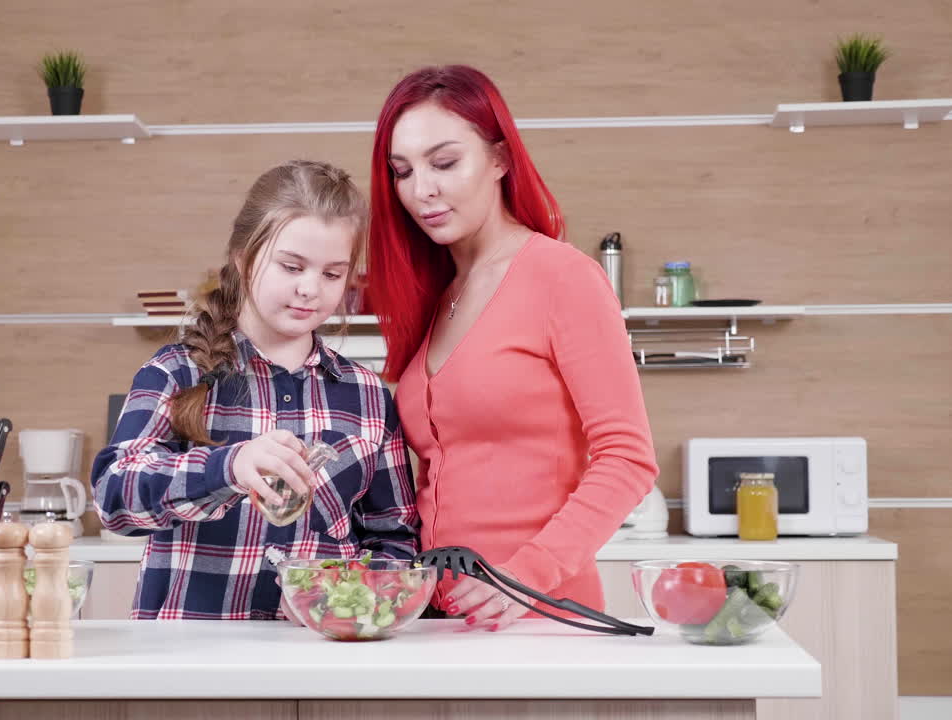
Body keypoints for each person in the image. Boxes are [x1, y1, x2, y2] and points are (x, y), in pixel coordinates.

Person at [366, 66, 658, 630]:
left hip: (540, 616)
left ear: (500, 159)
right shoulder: (436, 295)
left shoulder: (561, 277)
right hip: (434, 619)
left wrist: (525, 577)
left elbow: (627, 457)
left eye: (444, 163)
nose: (420, 189)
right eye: (402, 172)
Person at [92, 160, 419, 620]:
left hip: (319, 663)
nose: (310, 289)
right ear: (243, 259)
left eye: (332, 274)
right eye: (291, 266)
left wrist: (350, 599)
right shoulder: (176, 372)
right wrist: (230, 466)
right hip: (188, 662)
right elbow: (113, 498)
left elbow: (395, 539)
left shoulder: (367, 395)